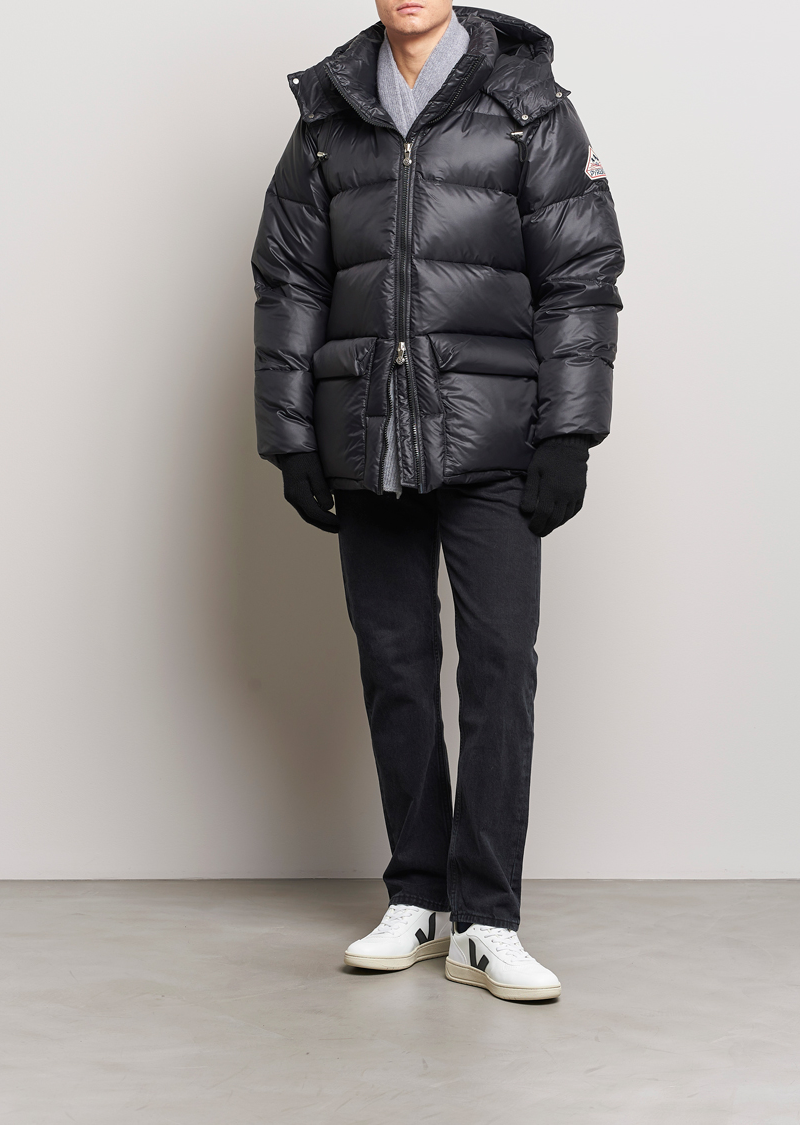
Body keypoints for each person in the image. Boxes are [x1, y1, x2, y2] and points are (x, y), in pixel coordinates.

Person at [251, 1, 624, 1002]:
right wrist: (291, 437)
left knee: (500, 669)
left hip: (496, 437)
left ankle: (488, 921)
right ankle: (416, 897)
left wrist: (569, 433)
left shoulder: (529, 104)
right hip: (369, 434)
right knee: (396, 667)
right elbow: (289, 281)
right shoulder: (328, 115)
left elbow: (582, 274)